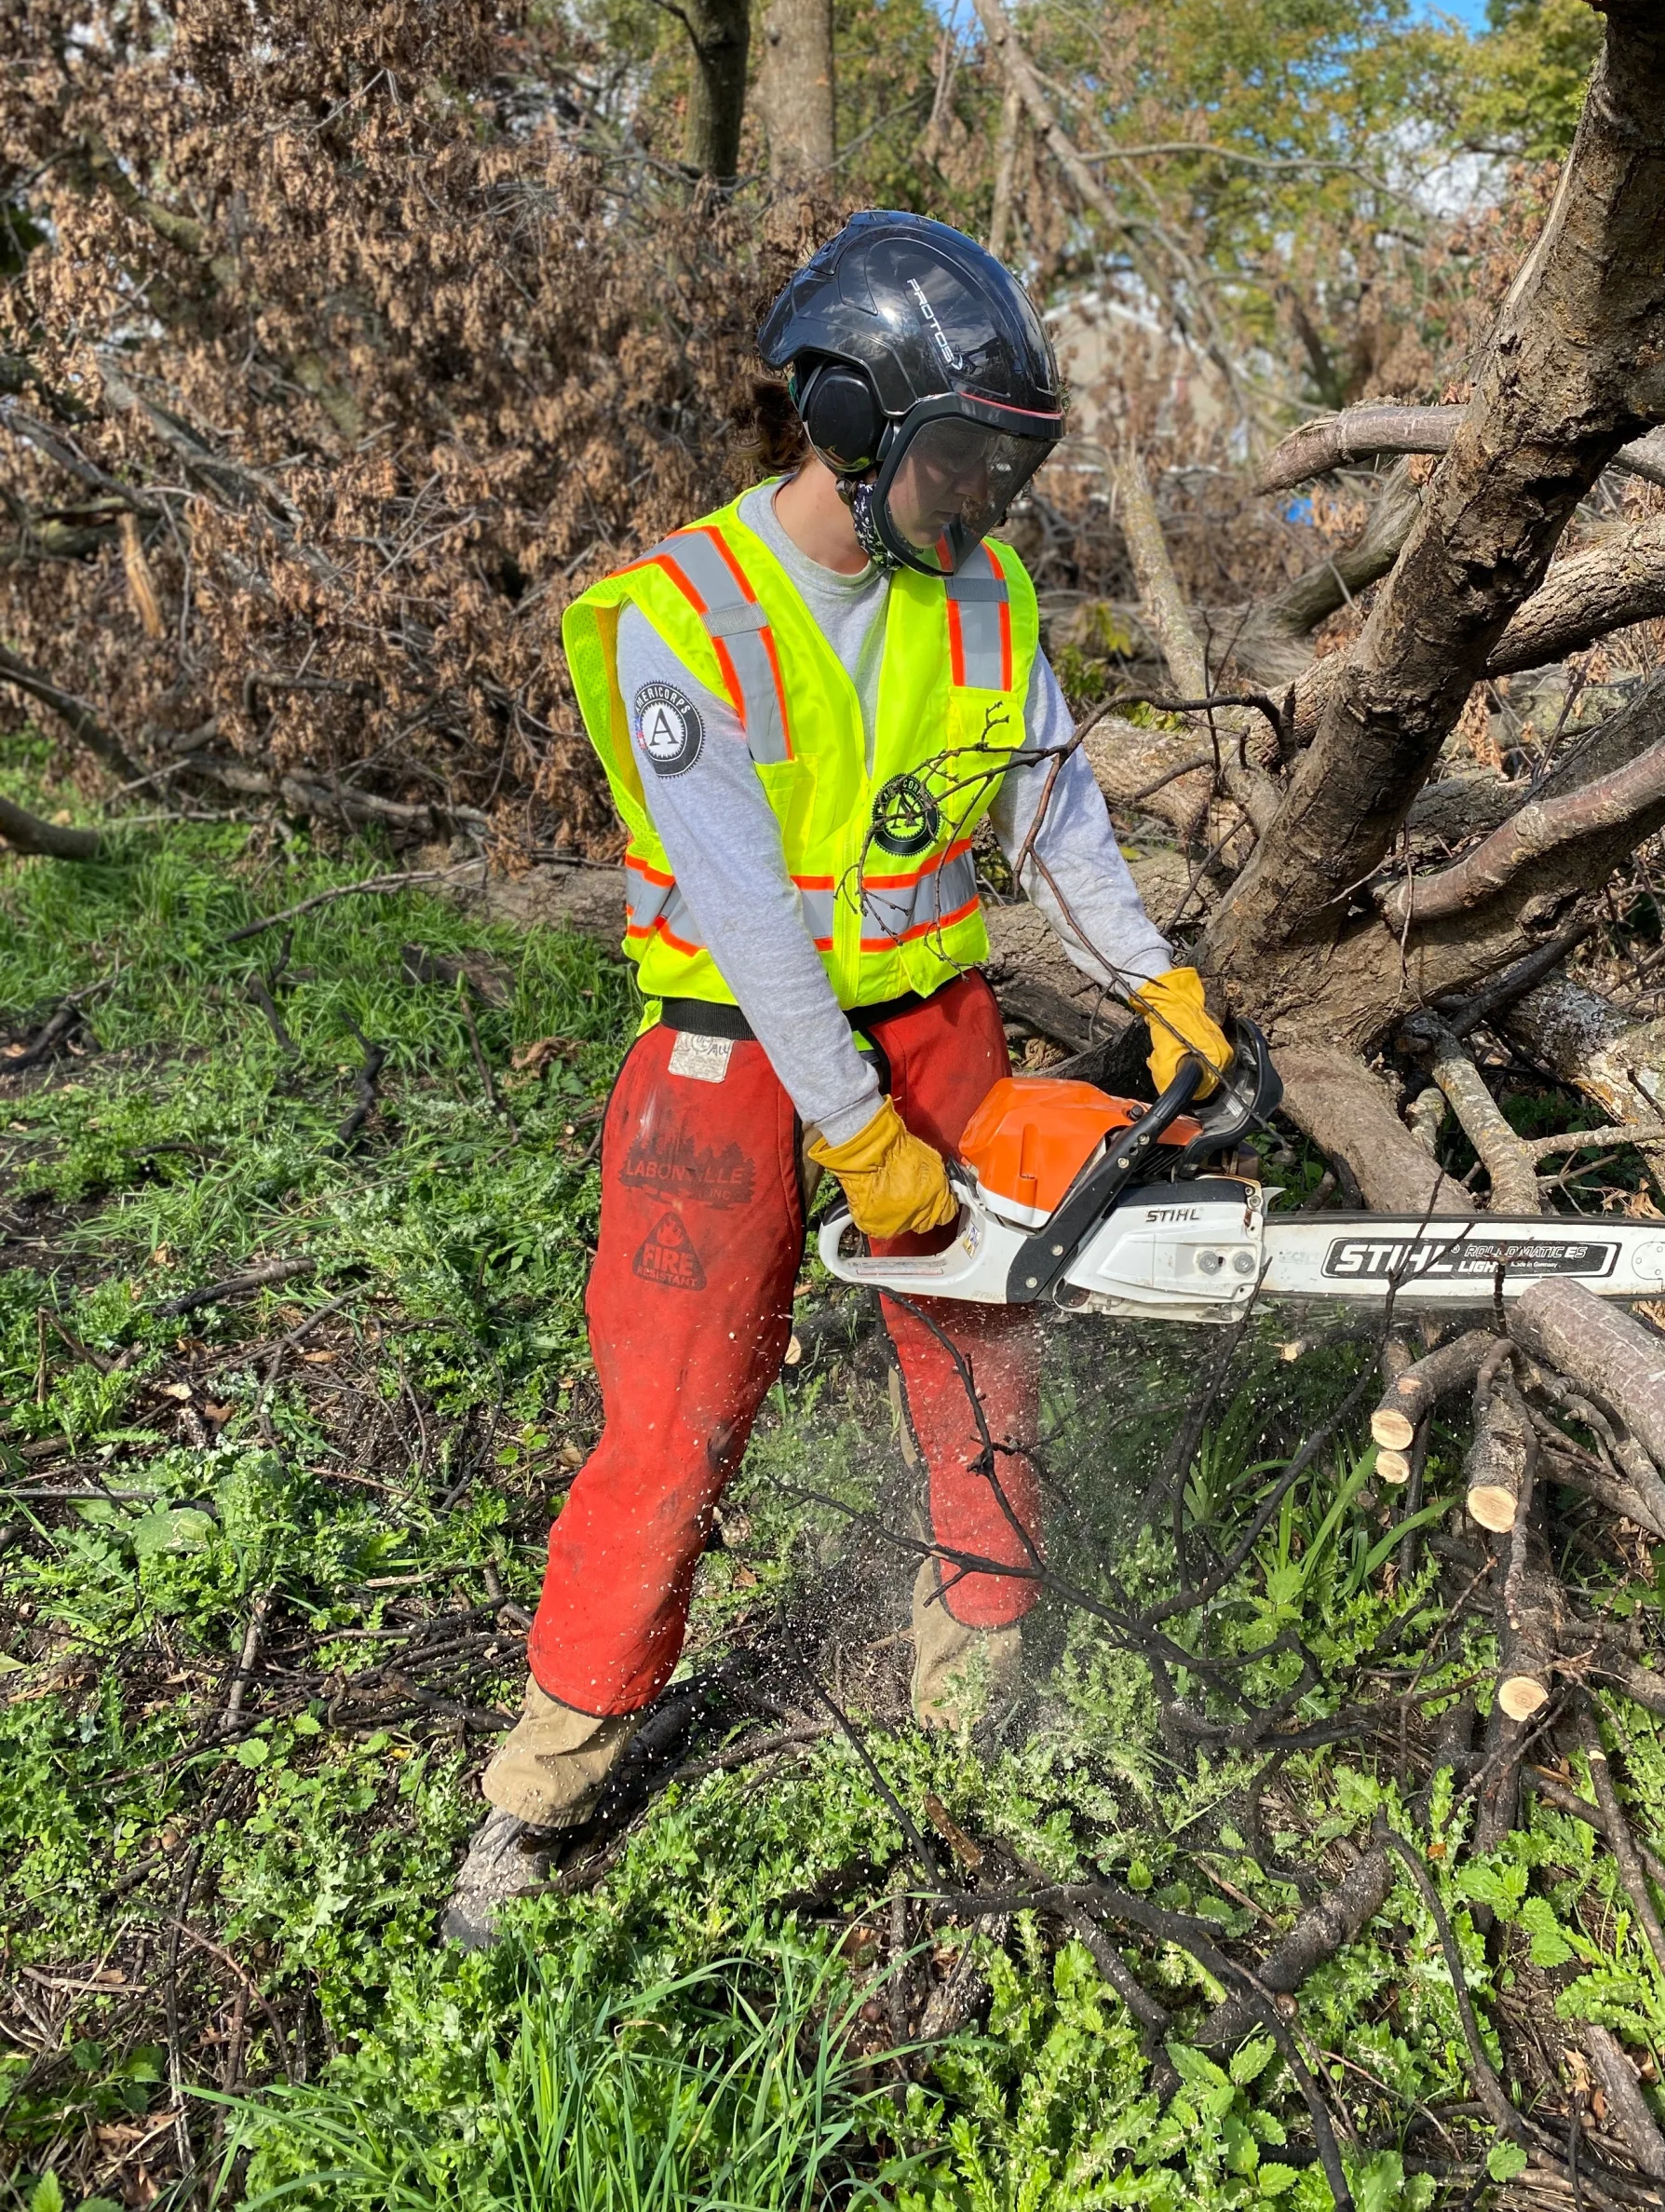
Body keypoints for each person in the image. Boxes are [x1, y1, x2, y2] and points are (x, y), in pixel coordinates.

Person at [442, 210, 1232, 1948]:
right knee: (677, 1396)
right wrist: (859, 1135)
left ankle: (976, 1678)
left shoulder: (985, 595)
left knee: (983, 1337)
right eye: (956, 463)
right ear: (850, 420)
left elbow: (1051, 815)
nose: (980, 506)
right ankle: (556, 1766)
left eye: (1003, 472)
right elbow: (740, 907)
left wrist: (1151, 975)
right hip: (733, 1040)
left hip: (937, 1010)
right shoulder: (678, 615)